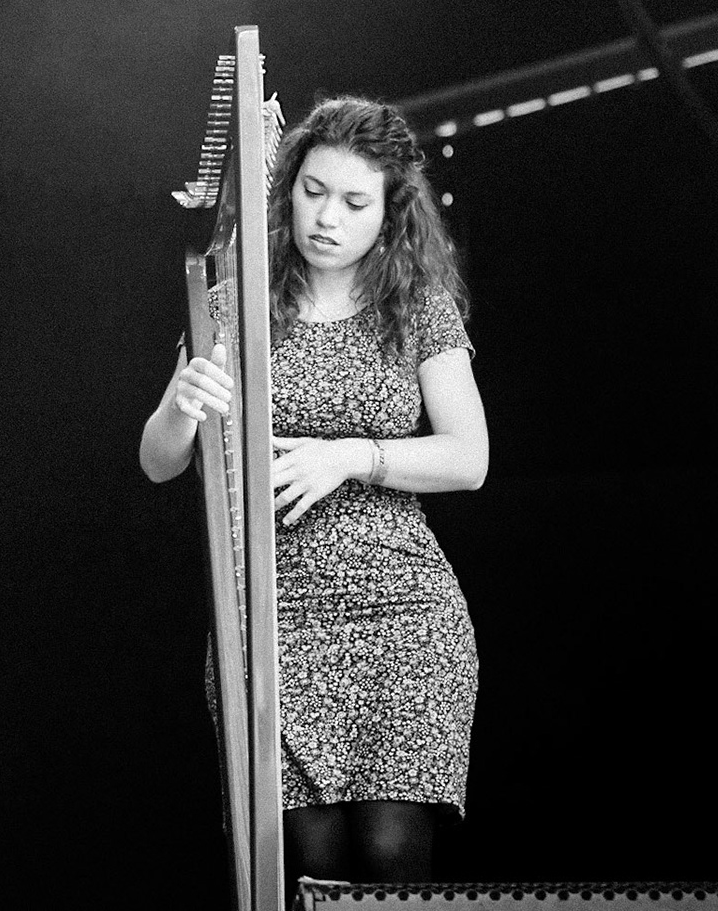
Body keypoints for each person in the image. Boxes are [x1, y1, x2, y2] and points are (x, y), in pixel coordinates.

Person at [139, 95, 489, 888]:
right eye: (313, 191)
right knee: (308, 871)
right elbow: (161, 462)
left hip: (404, 615)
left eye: (355, 202)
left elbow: (470, 457)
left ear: (389, 213)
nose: (327, 216)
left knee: (394, 863)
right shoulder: (236, 303)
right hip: (276, 620)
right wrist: (180, 402)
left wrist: (349, 458)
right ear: (286, 187)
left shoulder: (417, 308)